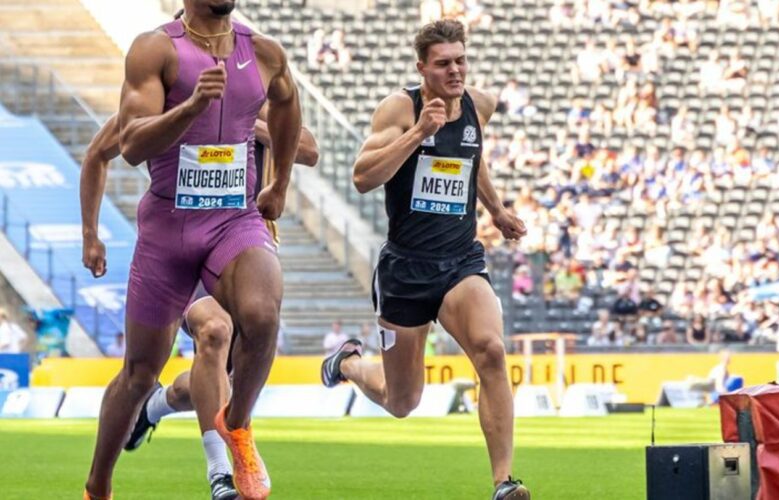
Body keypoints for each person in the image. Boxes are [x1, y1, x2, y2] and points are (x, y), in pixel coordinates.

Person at [82, 1, 301, 499]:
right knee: (139, 375)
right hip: (168, 230)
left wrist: (280, 183)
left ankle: (237, 427)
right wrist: (191, 108)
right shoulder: (156, 49)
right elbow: (132, 146)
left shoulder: (262, 52)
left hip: (235, 219)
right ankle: (98, 485)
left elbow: (289, 105)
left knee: (262, 314)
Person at [321, 20, 529, 500]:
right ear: (422, 68)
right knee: (401, 401)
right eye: (443, 63)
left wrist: (496, 209)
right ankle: (349, 363)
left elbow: (470, 157)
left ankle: (503, 482)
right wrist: (418, 132)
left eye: (460, 60)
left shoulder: (481, 105)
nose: (454, 70)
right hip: (406, 270)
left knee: (492, 351)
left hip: (460, 261)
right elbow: (362, 177)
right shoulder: (400, 108)